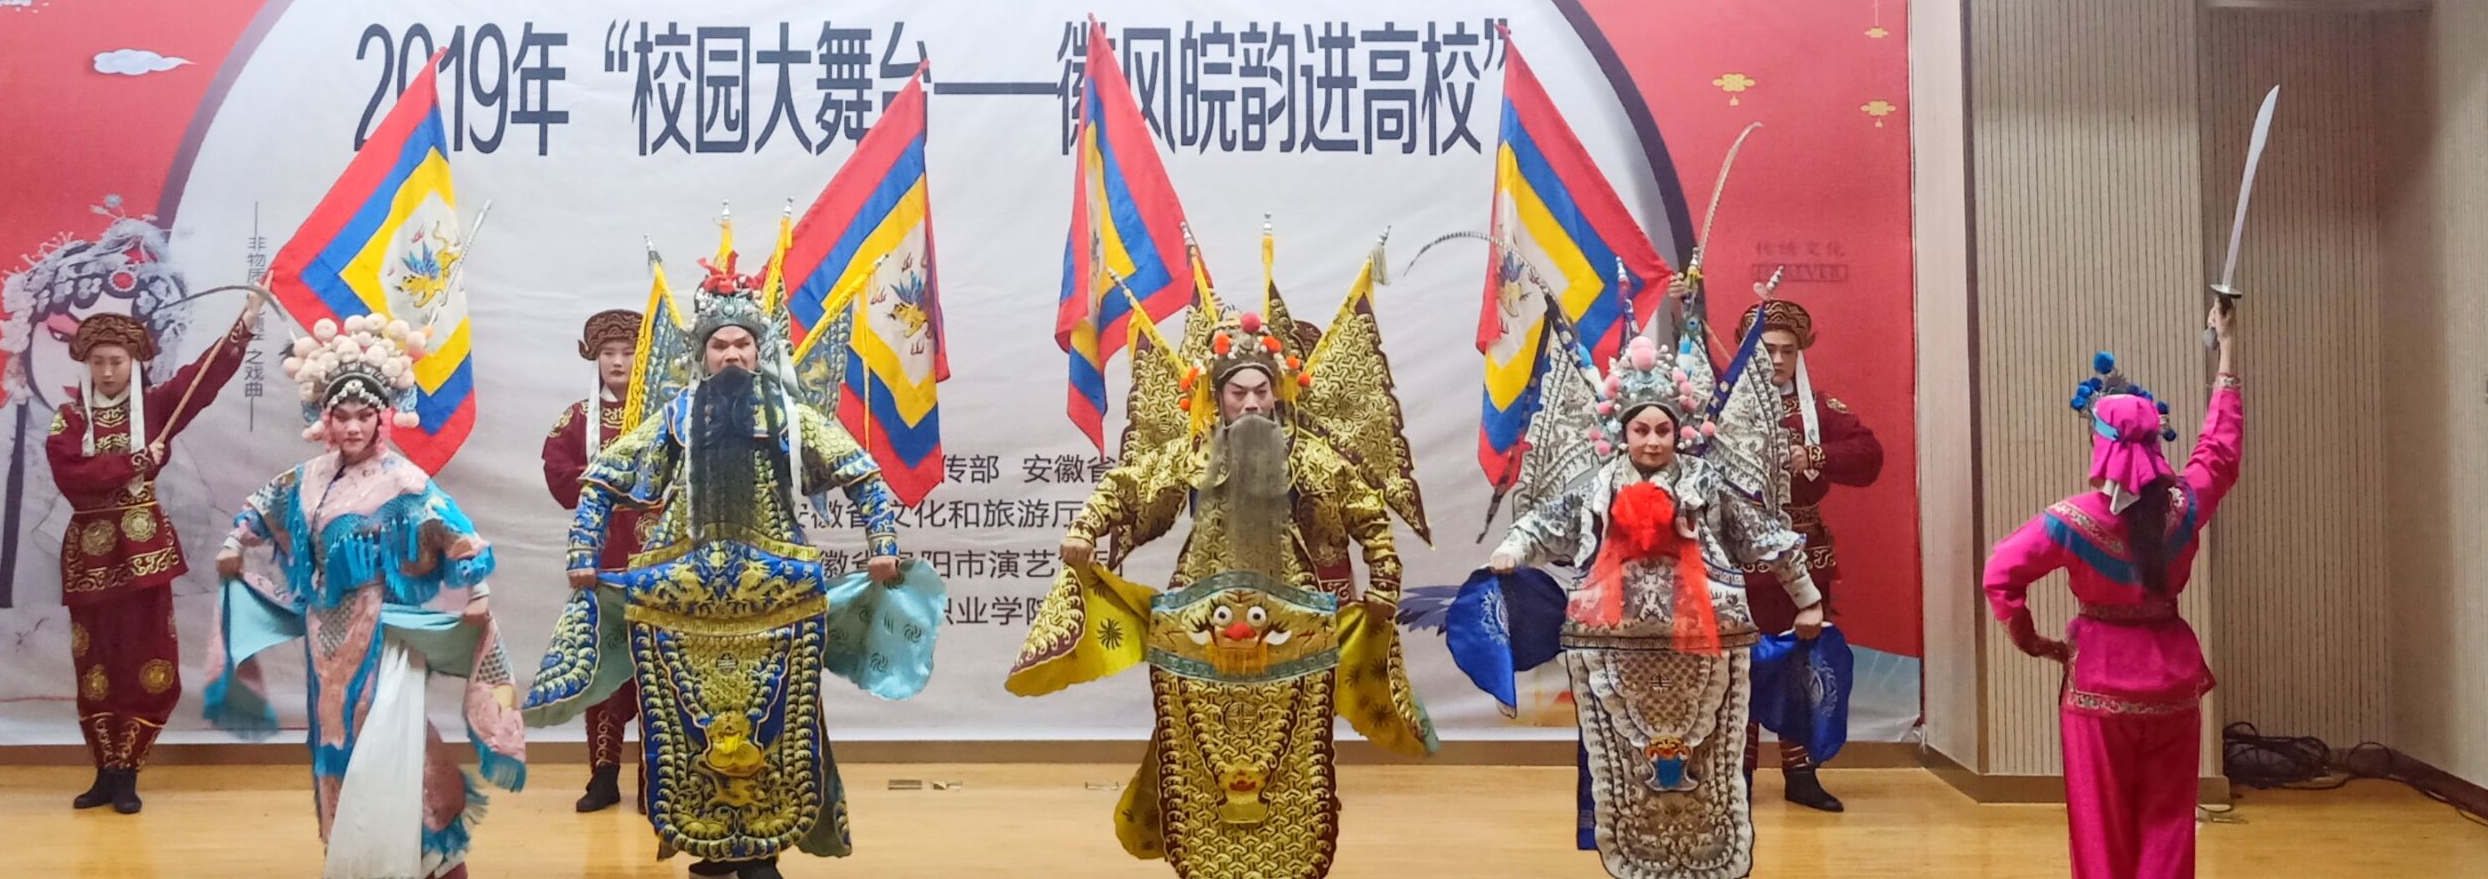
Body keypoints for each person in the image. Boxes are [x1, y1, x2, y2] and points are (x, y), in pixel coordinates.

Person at [1011, 258, 1433, 879]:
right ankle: (1204, 852)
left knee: (1294, 747)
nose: (1253, 402)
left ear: (1279, 390)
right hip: (1198, 622)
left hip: (1292, 624)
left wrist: (1385, 584)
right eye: (1239, 392)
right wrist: (1083, 530)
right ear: (1217, 395)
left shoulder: (1311, 456)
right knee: (1195, 739)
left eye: (1262, 390)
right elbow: (1126, 487)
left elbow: (1370, 518)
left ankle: (1288, 851)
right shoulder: (1192, 451)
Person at [525, 252, 938, 879]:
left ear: (759, 350)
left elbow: (862, 474)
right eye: (720, 345)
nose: (732, 355)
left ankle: (762, 849)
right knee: (688, 724)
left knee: (776, 722)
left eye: (743, 343)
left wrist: (882, 541)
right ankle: (714, 841)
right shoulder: (677, 416)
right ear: (702, 354)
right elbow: (604, 476)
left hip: (777, 593)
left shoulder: (790, 416)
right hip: (682, 595)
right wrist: (583, 551)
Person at [1492, 306, 1823, 879]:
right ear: (1623, 433)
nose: (1651, 441)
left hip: (1705, 647)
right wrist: (1510, 551)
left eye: (1662, 430)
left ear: (1678, 431)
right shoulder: (1598, 488)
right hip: (1612, 651)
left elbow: (1765, 535)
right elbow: (1542, 525)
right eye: (1640, 430)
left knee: (1708, 767)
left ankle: (1709, 862)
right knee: (1625, 768)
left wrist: (1808, 598)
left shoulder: (1704, 482)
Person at [209, 314, 525, 879]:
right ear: (325, 420)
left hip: (380, 631)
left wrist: (477, 591)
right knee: (333, 740)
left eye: (364, 416)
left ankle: (434, 859)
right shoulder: (308, 478)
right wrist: (235, 543)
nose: (353, 427)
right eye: (343, 416)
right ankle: (355, 856)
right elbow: (260, 508)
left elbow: (457, 535)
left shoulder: (404, 482)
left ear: (383, 418)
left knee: (390, 742)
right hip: (323, 636)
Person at [1981, 303, 2246, 879]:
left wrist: (2032, 640)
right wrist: (2226, 351)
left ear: (2099, 445)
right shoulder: (2184, 506)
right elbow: (2219, 452)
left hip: (2098, 683)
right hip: (2172, 683)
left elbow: (2000, 574)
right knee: (2168, 822)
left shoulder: (2070, 521)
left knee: (2101, 826)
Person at [49, 300, 263, 814]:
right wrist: (132, 463)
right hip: (90, 554)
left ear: (134, 363)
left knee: (147, 658)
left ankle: (128, 770)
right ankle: (103, 770)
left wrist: (245, 322)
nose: (107, 372)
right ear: (86, 364)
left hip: (143, 552)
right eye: (98, 362)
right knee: (94, 662)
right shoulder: (70, 417)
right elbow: (70, 475)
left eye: (116, 362)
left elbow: (201, 381)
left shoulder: (155, 407)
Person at [1733, 298, 1880, 811]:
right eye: (1766, 349)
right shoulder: (1721, 411)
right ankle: (1737, 775)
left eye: (1787, 350)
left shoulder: (1817, 409)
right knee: (1739, 666)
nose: (1776, 359)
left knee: (1801, 662)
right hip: (1739, 561)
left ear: (1799, 355)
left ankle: (1800, 774)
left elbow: (1869, 456)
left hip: (1804, 556)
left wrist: (1813, 454)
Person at [539, 308, 648, 812]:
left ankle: (657, 777)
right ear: (595, 358)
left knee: (658, 669)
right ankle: (603, 776)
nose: (618, 362)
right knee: (603, 666)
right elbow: (558, 472)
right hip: (601, 552)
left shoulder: (665, 415)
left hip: (656, 553)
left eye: (628, 352)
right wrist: (605, 482)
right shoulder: (579, 417)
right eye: (608, 353)